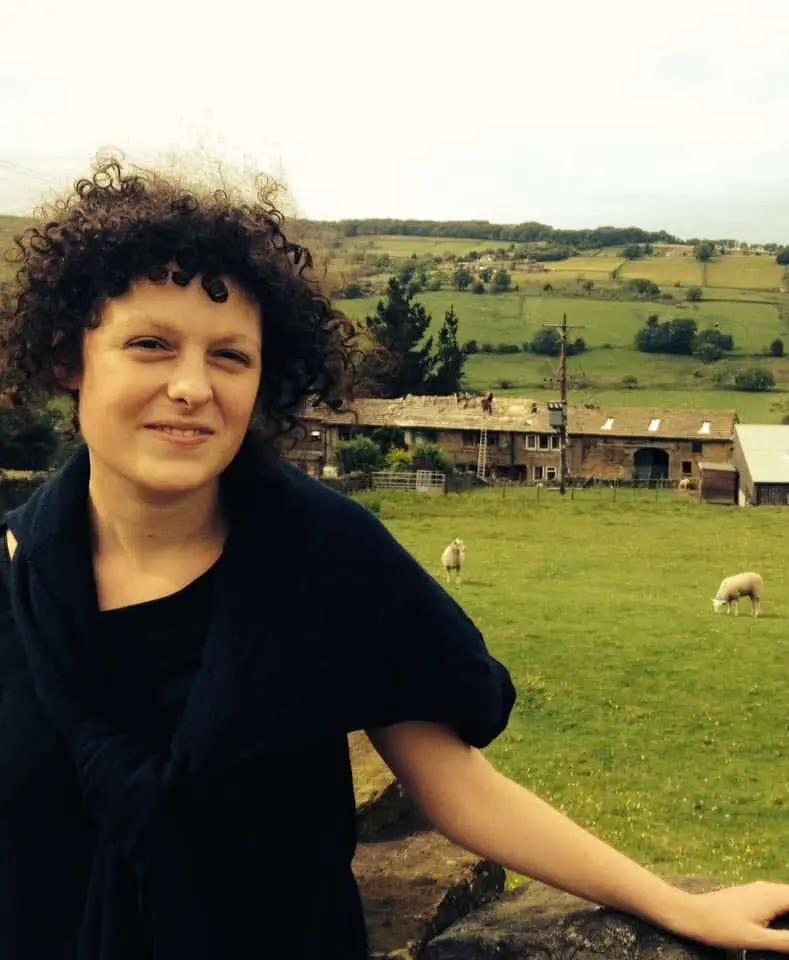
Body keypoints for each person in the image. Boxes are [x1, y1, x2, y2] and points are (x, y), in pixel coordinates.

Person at [1, 157, 789, 960]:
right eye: (150, 345)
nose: (192, 387)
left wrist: (679, 907)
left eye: (230, 356)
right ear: (70, 357)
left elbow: (456, 787)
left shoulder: (328, 561)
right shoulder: (13, 578)